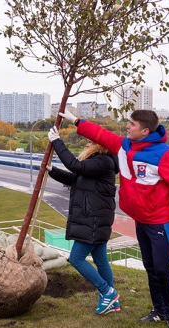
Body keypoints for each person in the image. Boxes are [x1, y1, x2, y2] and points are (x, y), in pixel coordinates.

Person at [58, 109, 169, 328]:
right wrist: (76, 121)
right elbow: (100, 135)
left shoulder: (165, 154)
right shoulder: (125, 146)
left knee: (162, 268)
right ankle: (158, 310)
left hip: (161, 222)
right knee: (150, 268)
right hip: (141, 220)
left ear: (145, 130)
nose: (127, 126)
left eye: (131, 124)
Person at [46, 128, 120, 315]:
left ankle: (107, 292)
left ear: (99, 145)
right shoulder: (97, 162)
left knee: (76, 259)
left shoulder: (103, 162)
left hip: (92, 220)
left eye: (90, 141)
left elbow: (75, 167)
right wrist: (52, 170)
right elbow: (75, 178)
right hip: (95, 219)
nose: (86, 143)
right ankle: (113, 300)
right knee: (100, 260)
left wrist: (57, 142)